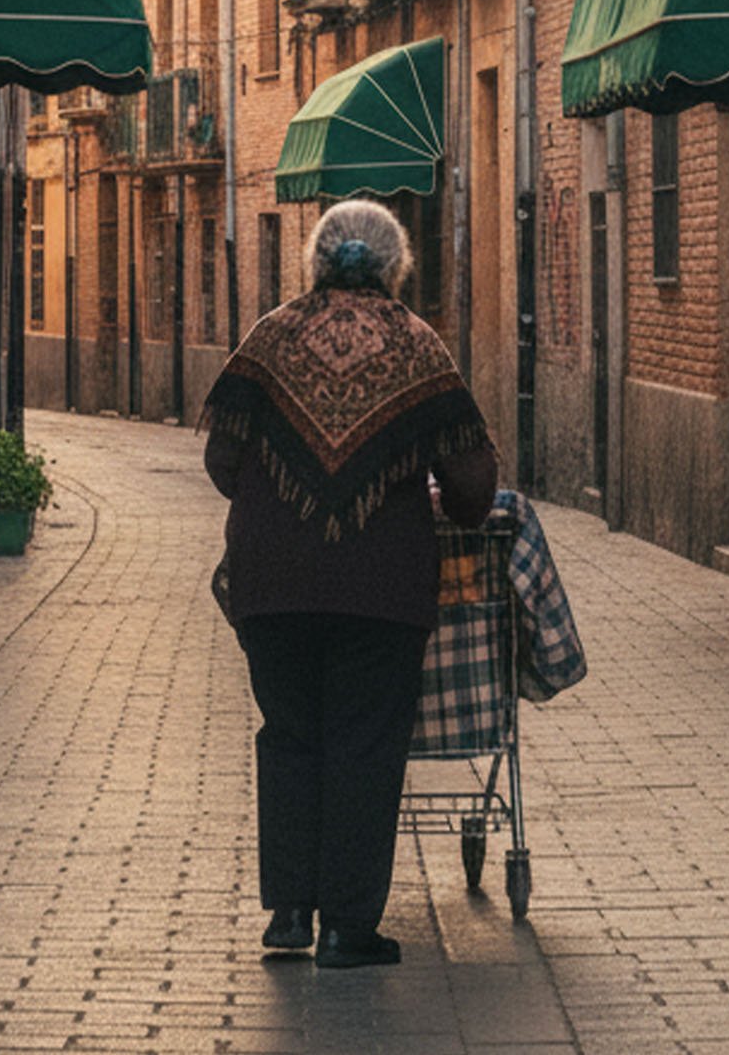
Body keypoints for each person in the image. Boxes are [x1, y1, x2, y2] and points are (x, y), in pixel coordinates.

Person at [201, 199, 498, 969]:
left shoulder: (269, 337)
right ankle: (347, 929)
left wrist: (288, 502)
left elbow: (222, 464)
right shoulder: (417, 345)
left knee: (290, 735)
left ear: (317, 260)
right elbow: (471, 483)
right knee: (366, 745)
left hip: (272, 585)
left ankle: (290, 914)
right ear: (395, 266)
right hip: (382, 590)